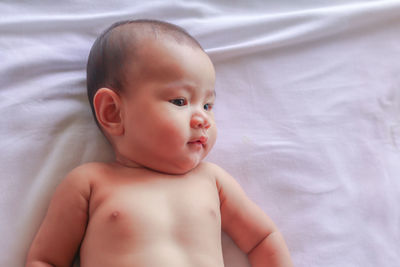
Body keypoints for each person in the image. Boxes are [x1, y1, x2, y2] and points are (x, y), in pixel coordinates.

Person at [26, 19, 293, 267]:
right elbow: (46, 259)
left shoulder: (213, 181)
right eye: (180, 101)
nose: (203, 118)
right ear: (113, 112)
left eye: (208, 104)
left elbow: (262, 239)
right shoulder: (90, 182)